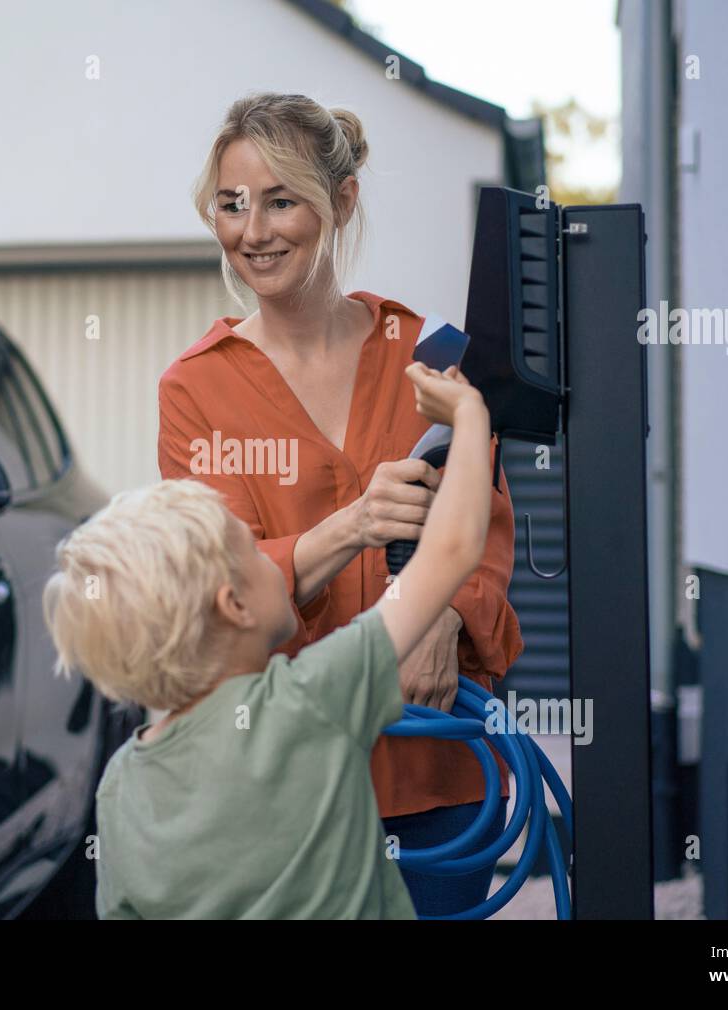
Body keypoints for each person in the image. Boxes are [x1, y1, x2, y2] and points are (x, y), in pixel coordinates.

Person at [155, 92, 523, 915]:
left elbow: (486, 528)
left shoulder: (427, 355)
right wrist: (354, 524)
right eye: (232, 204)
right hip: (280, 788)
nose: (254, 232)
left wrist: (445, 617)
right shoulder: (195, 390)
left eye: (281, 200)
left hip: (436, 774)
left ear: (341, 202)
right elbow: (222, 593)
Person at [43, 361, 494, 918]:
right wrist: (469, 417)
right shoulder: (309, 699)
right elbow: (453, 549)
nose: (272, 556)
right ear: (233, 605)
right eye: (251, 552)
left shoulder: (120, 784)